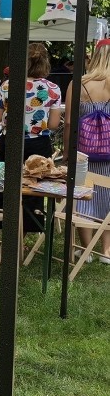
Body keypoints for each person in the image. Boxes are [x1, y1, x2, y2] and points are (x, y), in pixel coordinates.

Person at [0, 43, 62, 242]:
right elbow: (54, 124)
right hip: (39, 144)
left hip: (10, 140)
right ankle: (23, 234)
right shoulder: (53, 89)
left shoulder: (8, 85)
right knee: (34, 187)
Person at [64, 45, 110, 263]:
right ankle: (106, 251)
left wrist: (67, 152)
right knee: (108, 197)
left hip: (84, 152)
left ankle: (86, 249)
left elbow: (70, 122)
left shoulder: (78, 83)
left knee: (84, 197)